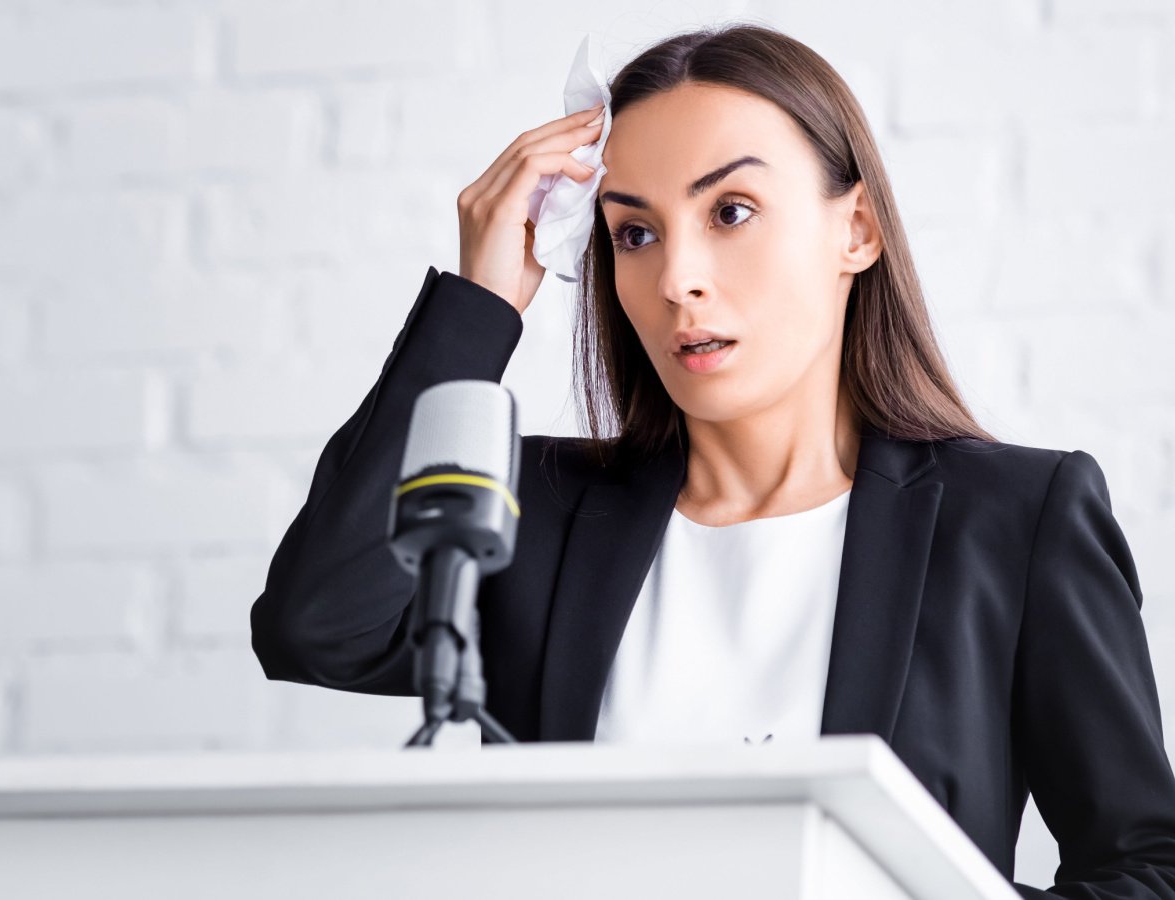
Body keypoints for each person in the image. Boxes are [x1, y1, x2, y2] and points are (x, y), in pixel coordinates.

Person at [249, 21, 1175, 899]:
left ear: (855, 231)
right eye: (634, 233)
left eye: (731, 211)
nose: (676, 277)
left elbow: (1150, 869)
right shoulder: (536, 508)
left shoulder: (1014, 520)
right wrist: (479, 303)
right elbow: (317, 625)